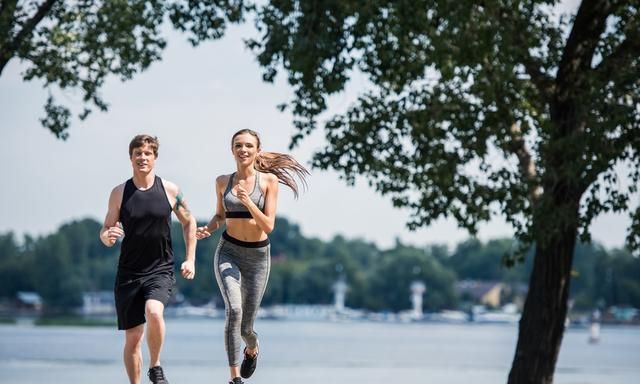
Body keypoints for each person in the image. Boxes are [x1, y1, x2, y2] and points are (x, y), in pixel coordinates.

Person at [196, 129, 309, 384]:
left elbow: (268, 225)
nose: (243, 150)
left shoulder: (268, 181)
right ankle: (235, 378)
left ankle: (252, 347)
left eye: (248, 145)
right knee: (234, 310)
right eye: (238, 145)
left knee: (246, 327)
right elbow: (219, 216)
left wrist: (248, 203)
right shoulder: (222, 181)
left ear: (257, 150)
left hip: (258, 257)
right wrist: (208, 228)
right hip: (229, 252)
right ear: (232, 150)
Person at [100, 134, 197, 384]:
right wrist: (108, 236)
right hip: (129, 273)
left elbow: (190, 222)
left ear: (155, 157)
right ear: (130, 158)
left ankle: (155, 367)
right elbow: (106, 230)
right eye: (137, 154)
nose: (142, 158)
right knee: (133, 340)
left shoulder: (170, 189)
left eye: (147, 153)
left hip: (160, 269)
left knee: (154, 311)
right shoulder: (119, 193)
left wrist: (190, 259)